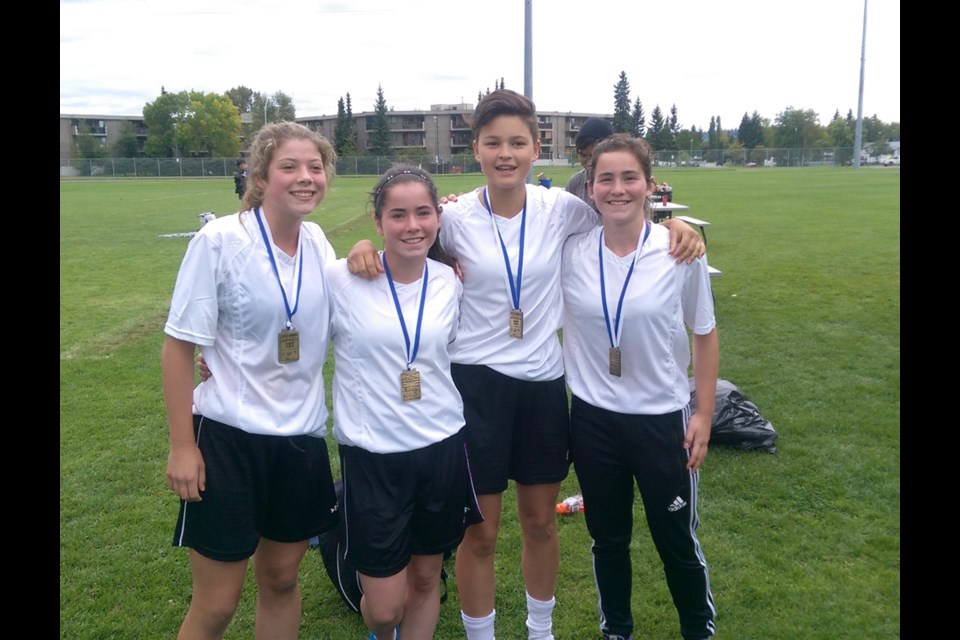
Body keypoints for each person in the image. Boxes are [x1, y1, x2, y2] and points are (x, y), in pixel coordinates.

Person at [347, 89, 705, 640]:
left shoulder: (563, 210)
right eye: (493, 142)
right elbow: (405, 232)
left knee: (540, 523)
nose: (506, 153)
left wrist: (676, 226)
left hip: (542, 386)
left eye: (517, 142)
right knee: (480, 535)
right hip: (476, 388)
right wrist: (362, 246)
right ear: (478, 149)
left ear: (536, 147)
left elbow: (627, 217)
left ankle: (542, 632)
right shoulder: (456, 217)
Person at [162, 122, 339, 640]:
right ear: (260, 176)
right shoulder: (219, 239)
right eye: (290, 167)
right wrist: (181, 447)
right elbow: (178, 347)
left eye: (315, 167)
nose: (305, 178)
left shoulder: (317, 241)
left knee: (282, 580)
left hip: (300, 440)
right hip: (228, 439)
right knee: (217, 604)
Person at [561, 133, 719, 640]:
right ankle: (617, 631)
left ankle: (698, 629)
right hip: (592, 421)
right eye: (606, 178)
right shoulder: (571, 251)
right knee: (607, 541)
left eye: (630, 177)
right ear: (590, 189)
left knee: (676, 540)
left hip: (662, 420)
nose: (618, 188)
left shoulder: (680, 250)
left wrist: (703, 414)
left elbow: (704, 331)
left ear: (650, 185)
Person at [327, 165, 482, 640]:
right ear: (377, 223)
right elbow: (285, 324)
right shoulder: (340, 279)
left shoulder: (448, 281)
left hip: (440, 447)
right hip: (373, 456)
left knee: (425, 576)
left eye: (422, 213)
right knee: (384, 604)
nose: (412, 225)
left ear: (437, 217)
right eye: (397, 215)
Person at [565, 117, 614, 211]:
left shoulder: (621, 184)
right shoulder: (575, 183)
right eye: (583, 155)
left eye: (593, 156)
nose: (588, 162)